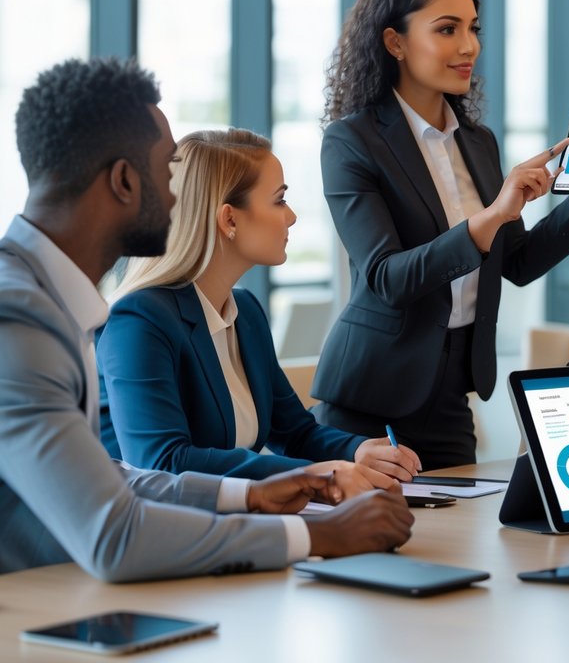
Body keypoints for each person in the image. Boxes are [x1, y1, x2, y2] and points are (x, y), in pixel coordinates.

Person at [0, 57, 413, 581]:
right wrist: (318, 534)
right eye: (167, 171)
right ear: (126, 181)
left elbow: (114, 478)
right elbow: (116, 534)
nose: (179, 195)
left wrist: (255, 492)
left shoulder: (49, 304)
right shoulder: (17, 321)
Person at [311, 0, 569, 469]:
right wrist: (492, 215)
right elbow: (387, 277)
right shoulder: (352, 141)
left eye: (473, 29)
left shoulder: (477, 142)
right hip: (371, 399)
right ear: (395, 42)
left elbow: (514, 263)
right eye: (447, 29)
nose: (468, 46)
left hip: (453, 390)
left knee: (464, 540)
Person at [97, 129, 422, 486]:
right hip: (154, 534)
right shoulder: (140, 321)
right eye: (280, 201)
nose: (292, 217)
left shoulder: (246, 312)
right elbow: (163, 462)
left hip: (225, 523)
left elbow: (295, 432)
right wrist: (314, 474)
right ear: (230, 220)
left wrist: (356, 452)